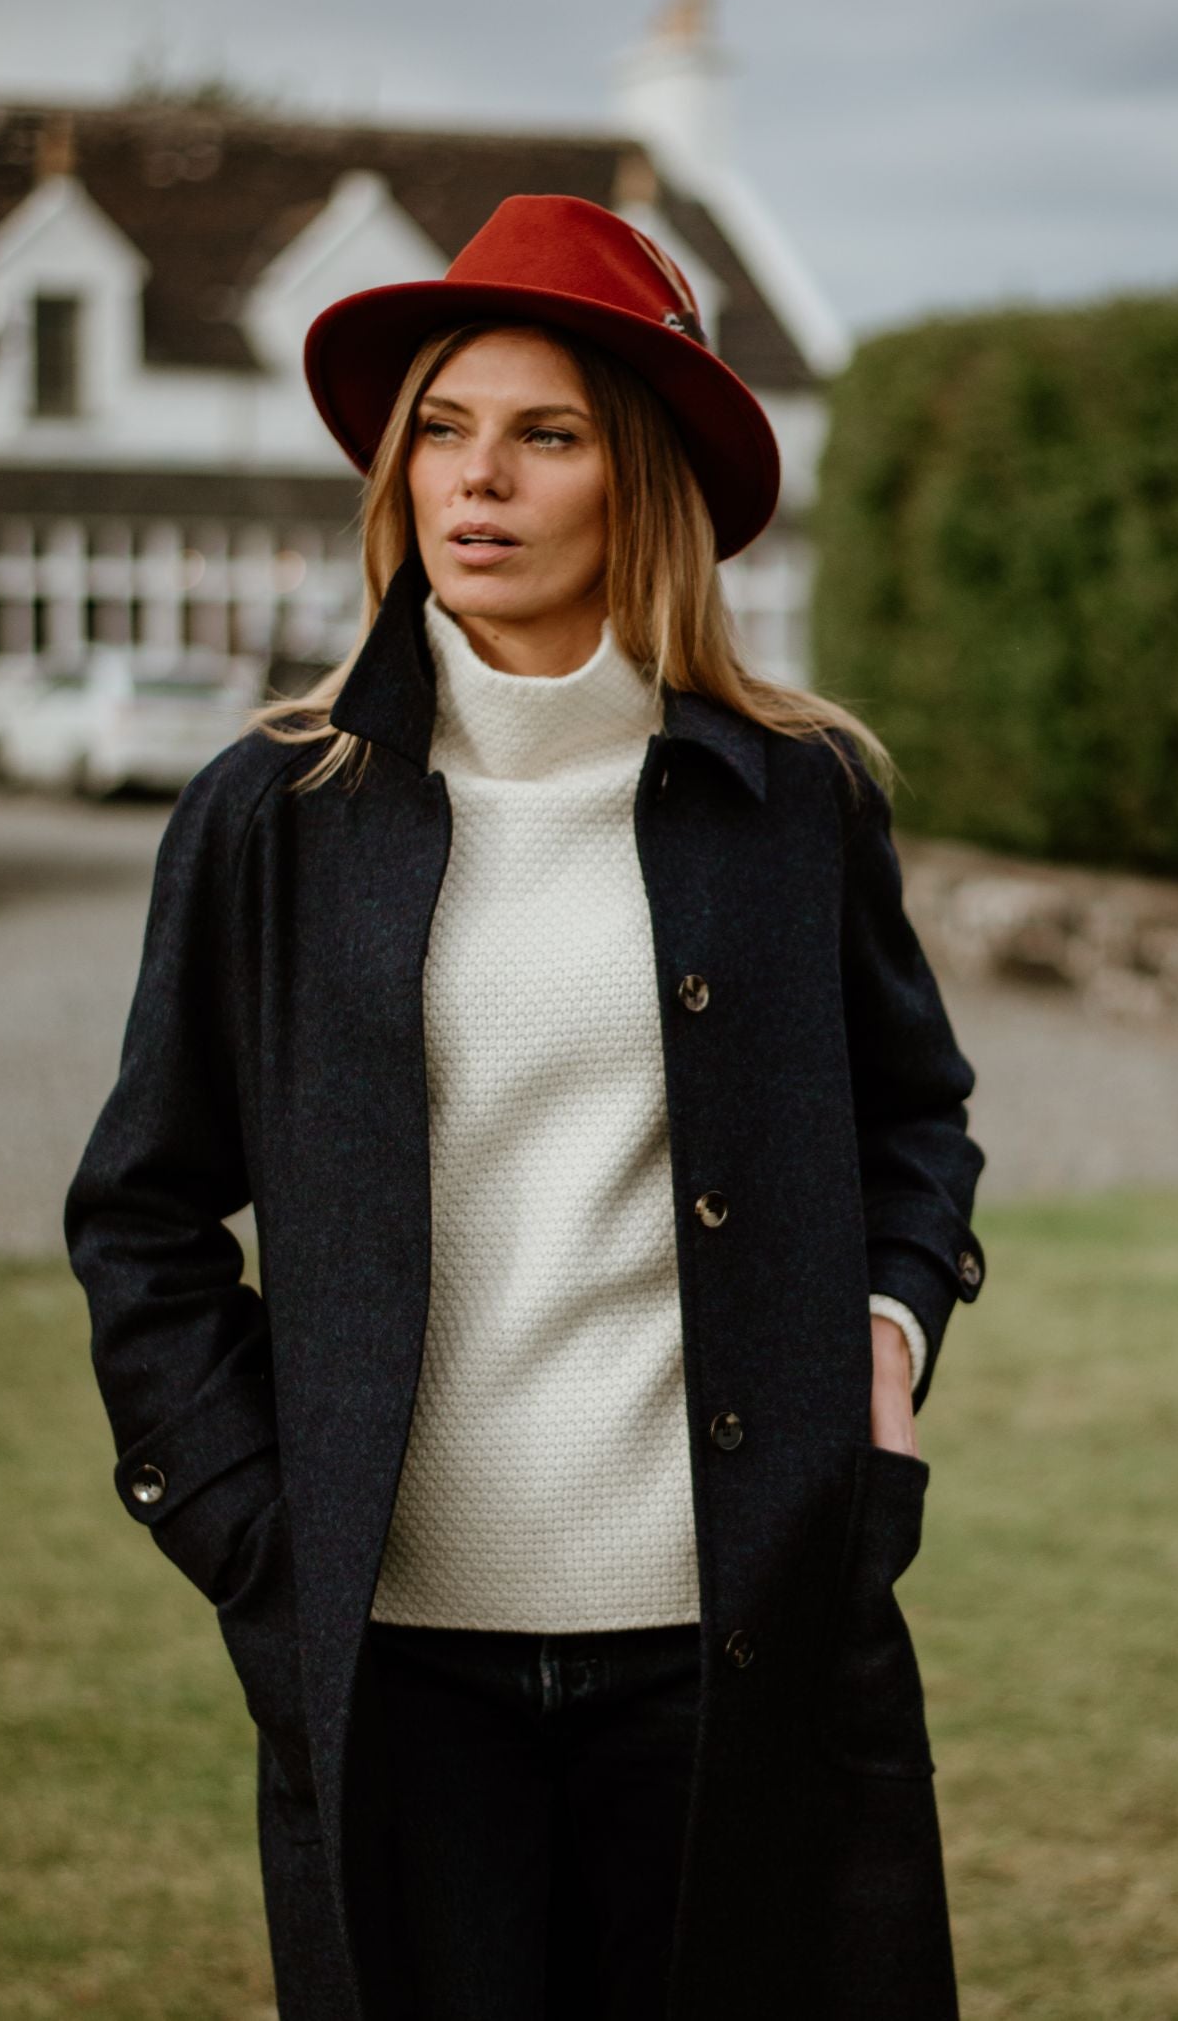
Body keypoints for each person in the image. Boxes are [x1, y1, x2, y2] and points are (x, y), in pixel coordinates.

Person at [65, 194, 987, 2021]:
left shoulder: (795, 799)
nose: (474, 482)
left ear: (635, 480)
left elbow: (917, 1121)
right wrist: (254, 1528)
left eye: (542, 435)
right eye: (441, 429)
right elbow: (143, 1215)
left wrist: (881, 1361)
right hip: (398, 1673)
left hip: (736, 1635)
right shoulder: (270, 814)